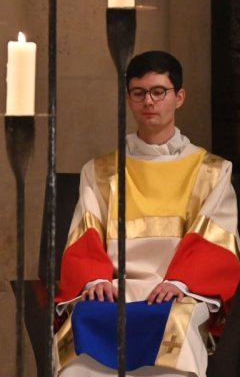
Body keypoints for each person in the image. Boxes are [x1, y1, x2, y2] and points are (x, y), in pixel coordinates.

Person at [55, 51, 240, 375]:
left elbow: (216, 240)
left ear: (178, 97)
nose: (149, 102)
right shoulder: (100, 171)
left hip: (178, 293)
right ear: (128, 99)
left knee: (173, 333)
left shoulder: (211, 171)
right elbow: (84, 236)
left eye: (159, 92)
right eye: (139, 93)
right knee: (82, 329)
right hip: (111, 290)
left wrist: (181, 283)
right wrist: (96, 278)